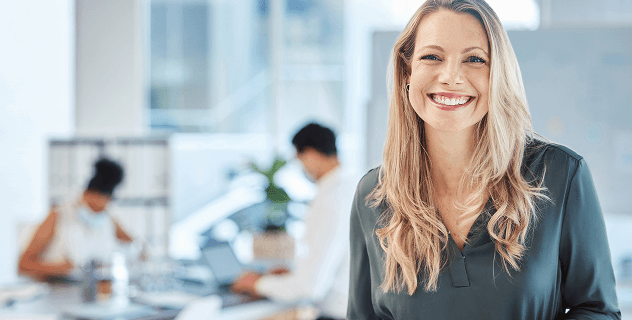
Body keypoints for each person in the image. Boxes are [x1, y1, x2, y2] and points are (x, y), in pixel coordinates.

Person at [347, 0, 620, 319]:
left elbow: (597, 309)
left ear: (497, 75)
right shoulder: (373, 195)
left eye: (474, 59)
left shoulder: (561, 174)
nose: (451, 76)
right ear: (408, 70)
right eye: (432, 57)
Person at [232, 123, 356, 320]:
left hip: (335, 313)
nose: (302, 168)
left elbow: (311, 287)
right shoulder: (351, 187)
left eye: (300, 160)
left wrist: (256, 284)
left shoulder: (330, 200)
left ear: (311, 155)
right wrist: (293, 272)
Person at [19, 158, 136, 280]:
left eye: (101, 209)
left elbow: (135, 245)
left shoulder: (108, 219)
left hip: (93, 292)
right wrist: (62, 269)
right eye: (92, 206)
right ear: (84, 194)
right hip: (57, 290)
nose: (96, 212)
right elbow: (23, 265)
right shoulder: (58, 214)